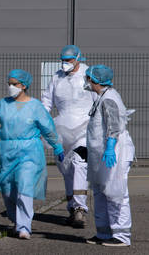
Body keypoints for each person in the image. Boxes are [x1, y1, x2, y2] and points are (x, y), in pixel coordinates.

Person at [0, 69, 64, 240]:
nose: (10, 87)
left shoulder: (35, 106)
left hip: (29, 152)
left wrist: (57, 146)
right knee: (8, 190)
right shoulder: (3, 104)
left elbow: (48, 128)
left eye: (14, 84)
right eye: (9, 83)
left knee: (24, 186)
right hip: (6, 153)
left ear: (24, 85)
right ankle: (16, 220)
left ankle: (24, 226)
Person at [41, 45, 94, 228]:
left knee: (79, 163)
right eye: (63, 60)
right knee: (66, 168)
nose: (66, 64)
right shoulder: (57, 77)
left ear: (78, 58)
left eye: (69, 60)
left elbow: (98, 98)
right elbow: (47, 101)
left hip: (84, 128)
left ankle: (80, 208)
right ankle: (72, 208)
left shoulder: (89, 75)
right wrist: (43, 121)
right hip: (62, 128)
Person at [84, 65, 135, 247]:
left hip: (114, 153)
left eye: (88, 78)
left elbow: (114, 124)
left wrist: (110, 147)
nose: (86, 81)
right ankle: (104, 232)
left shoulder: (109, 99)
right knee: (100, 192)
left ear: (95, 80)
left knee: (115, 192)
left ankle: (121, 235)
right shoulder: (101, 97)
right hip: (102, 154)